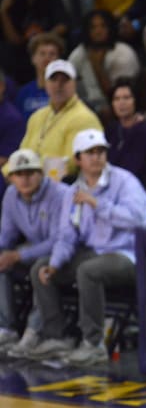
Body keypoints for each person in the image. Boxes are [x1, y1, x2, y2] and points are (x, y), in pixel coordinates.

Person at [25, 128, 146, 365]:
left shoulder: (125, 182)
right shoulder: (73, 192)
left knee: (88, 271)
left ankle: (94, 344)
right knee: (39, 267)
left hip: (126, 254)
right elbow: (66, 236)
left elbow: (137, 220)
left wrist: (96, 203)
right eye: (90, 153)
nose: (96, 157)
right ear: (78, 159)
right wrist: (55, 264)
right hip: (93, 252)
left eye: (101, 151)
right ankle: (56, 336)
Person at [0, 149, 68, 357]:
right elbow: (6, 235)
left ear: (41, 173)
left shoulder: (60, 194)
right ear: (11, 178)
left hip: (63, 252)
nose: (25, 179)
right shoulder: (11, 195)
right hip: (33, 249)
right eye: (19, 174)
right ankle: (6, 329)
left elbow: (60, 239)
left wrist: (20, 255)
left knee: (40, 269)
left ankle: (33, 332)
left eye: (30, 173)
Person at [1, 59, 103, 181]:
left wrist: (26, 173)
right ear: (45, 83)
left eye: (65, 80)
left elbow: (70, 165)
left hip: (63, 186)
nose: (59, 85)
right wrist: (7, 172)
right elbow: (22, 153)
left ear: (74, 84)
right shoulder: (37, 116)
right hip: (29, 181)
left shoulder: (84, 118)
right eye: (53, 80)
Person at [0, 0, 70, 84]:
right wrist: (3, 12)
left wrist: (43, 40)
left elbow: (63, 26)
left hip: (49, 47)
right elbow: (14, 40)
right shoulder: (12, 6)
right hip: (23, 53)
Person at [68, 9, 140, 114]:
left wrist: (97, 66)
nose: (98, 31)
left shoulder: (123, 53)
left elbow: (119, 98)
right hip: (85, 107)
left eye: (103, 26)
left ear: (110, 28)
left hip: (118, 109)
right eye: (93, 27)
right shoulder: (79, 53)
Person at [105, 78, 146, 198]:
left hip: (138, 192)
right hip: (111, 189)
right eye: (117, 99)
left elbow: (134, 169)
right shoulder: (112, 129)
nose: (122, 103)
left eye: (126, 98)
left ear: (136, 101)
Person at [14, 32, 65, 120]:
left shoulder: (66, 91)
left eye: (52, 54)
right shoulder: (23, 93)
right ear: (33, 58)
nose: (47, 58)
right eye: (42, 53)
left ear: (58, 60)